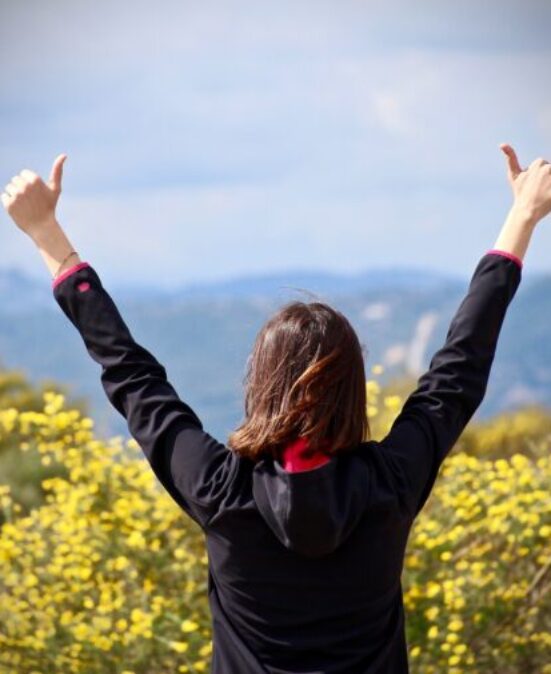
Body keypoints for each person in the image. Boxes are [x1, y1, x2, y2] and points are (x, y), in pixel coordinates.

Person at [2, 145, 550, 673]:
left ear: (259, 381)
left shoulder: (219, 488)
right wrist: (523, 216)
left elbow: (130, 374)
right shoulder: (389, 483)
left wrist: (47, 233)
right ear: (352, 388)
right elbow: (459, 371)